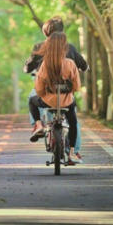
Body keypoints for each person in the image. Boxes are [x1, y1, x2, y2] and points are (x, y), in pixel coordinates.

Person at [25, 16, 86, 161]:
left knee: (32, 99)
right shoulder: (70, 60)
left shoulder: (43, 59)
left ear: (47, 34)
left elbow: (39, 87)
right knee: (73, 120)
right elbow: (77, 85)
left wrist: (45, 94)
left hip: (47, 97)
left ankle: (38, 124)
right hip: (66, 100)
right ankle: (73, 151)